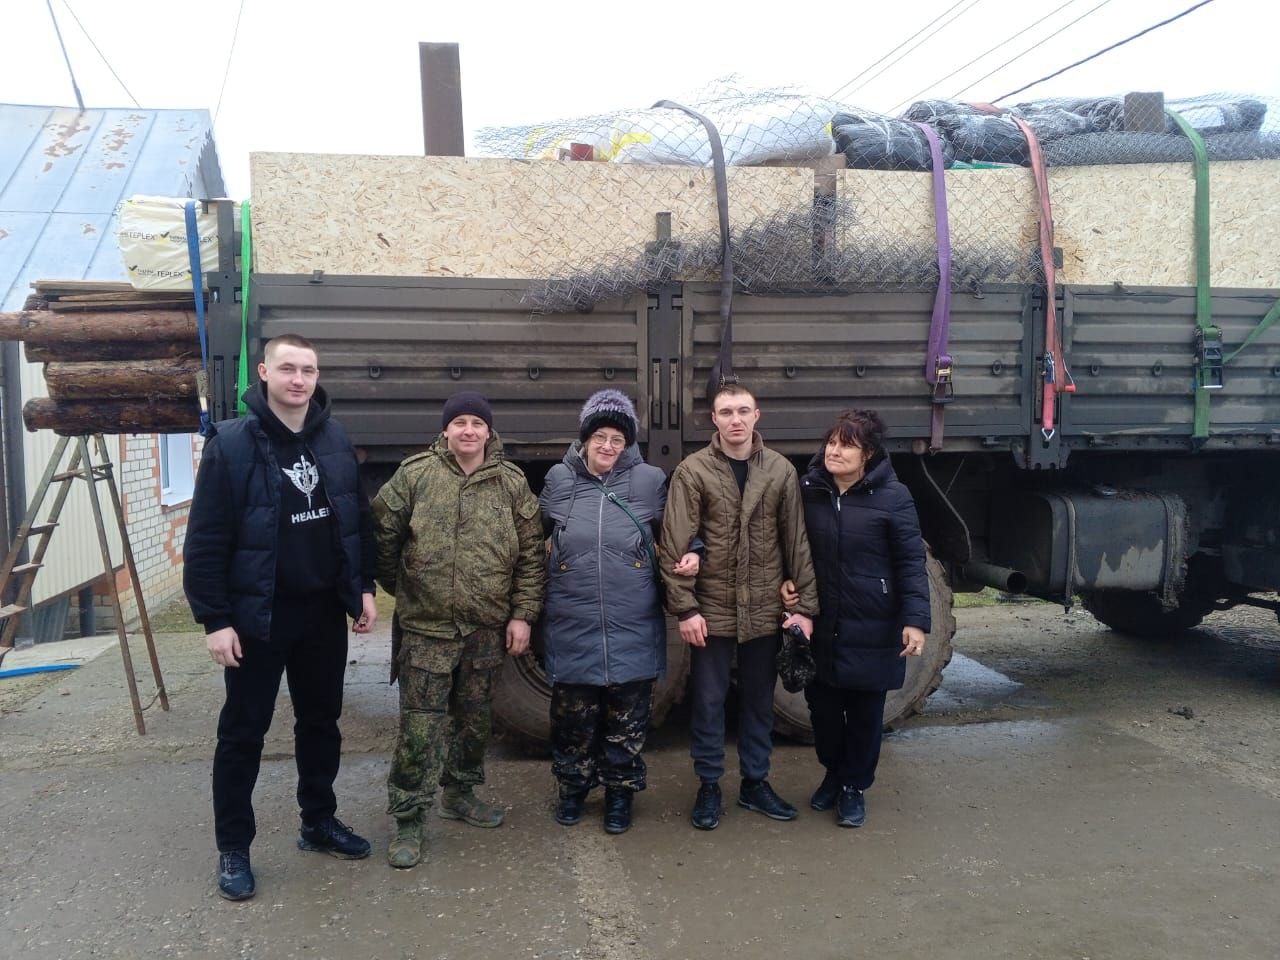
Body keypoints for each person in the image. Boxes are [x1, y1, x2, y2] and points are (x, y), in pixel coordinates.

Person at [185, 334, 378, 902]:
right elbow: (206, 539)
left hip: (321, 614)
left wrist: (363, 588)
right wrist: (215, 619)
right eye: (288, 368)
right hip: (256, 618)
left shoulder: (334, 439)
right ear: (264, 373)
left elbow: (356, 522)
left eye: (308, 370)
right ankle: (233, 847)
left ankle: (318, 821)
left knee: (321, 724)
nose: (299, 379)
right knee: (243, 733)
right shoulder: (230, 444)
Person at [373, 391, 545, 868]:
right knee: (419, 727)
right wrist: (407, 589)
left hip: (485, 627)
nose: (469, 431)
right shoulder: (415, 475)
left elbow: (532, 556)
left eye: (477, 423)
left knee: (475, 720)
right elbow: (383, 539)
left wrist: (522, 614)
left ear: (489, 432)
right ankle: (408, 817)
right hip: (427, 628)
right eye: (460, 423)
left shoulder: (511, 483)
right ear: (445, 430)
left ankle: (460, 793)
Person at [659, 383, 819, 830]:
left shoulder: (780, 470)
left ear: (756, 415)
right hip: (711, 609)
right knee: (708, 702)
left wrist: (804, 608)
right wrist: (686, 609)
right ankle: (709, 785)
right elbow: (674, 543)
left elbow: (796, 541)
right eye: (726, 412)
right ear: (713, 419)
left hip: (765, 607)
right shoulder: (693, 471)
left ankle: (755, 783)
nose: (735, 420)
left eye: (743, 411)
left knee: (758, 701)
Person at [539, 390, 700, 834]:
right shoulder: (558, 479)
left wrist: (696, 552)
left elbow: (679, 530)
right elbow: (532, 538)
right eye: (600, 437)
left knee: (626, 723)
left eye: (617, 439)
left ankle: (619, 795)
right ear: (585, 438)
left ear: (628, 443)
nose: (608, 445)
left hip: (632, 624)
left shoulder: (649, 481)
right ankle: (572, 789)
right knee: (572, 721)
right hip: (572, 624)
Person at [782, 409, 930, 828]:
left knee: (865, 716)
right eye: (831, 442)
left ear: (868, 454)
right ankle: (833, 772)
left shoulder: (894, 497)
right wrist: (786, 582)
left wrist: (915, 620)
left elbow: (910, 562)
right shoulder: (808, 490)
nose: (834, 451)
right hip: (822, 624)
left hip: (874, 624)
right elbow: (789, 546)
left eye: (846, 445)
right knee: (823, 712)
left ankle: (853, 787)